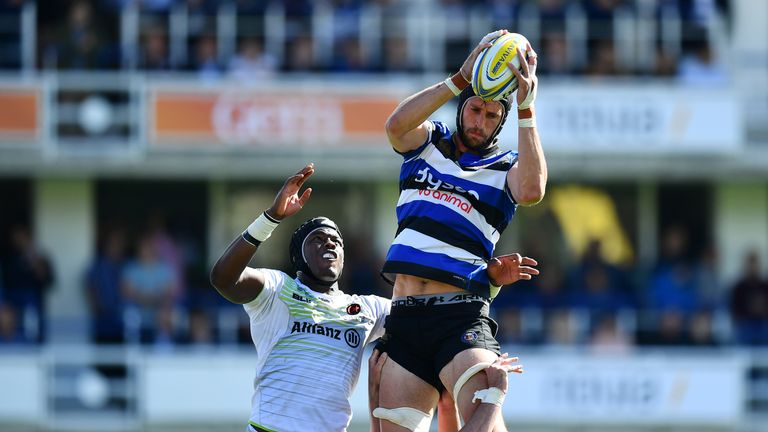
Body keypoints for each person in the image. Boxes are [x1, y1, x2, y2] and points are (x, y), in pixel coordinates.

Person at [210, 164, 534, 432]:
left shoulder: (366, 309)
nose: (330, 245)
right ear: (298, 255)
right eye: (318, 239)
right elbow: (223, 279)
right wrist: (271, 218)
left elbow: (437, 314)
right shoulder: (277, 289)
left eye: (336, 240)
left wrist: (489, 284)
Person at [376, 28, 546, 431]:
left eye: (491, 116)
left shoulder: (505, 167)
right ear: (461, 107)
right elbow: (395, 127)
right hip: (402, 317)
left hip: (460, 317)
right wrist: (458, 78)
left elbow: (533, 190)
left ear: (501, 123)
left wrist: (526, 107)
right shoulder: (430, 140)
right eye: (474, 110)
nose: (480, 121)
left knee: (486, 414)